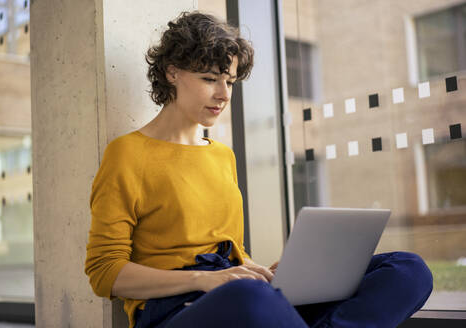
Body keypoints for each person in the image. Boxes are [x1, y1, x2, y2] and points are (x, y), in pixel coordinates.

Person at [84, 11, 433, 328]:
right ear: (171, 72)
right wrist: (204, 281)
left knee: (406, 269)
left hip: (238, 293)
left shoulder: (222, 155)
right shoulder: (128, 153)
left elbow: (230, 248)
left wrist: (259, 270)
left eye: (230, 82)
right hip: (177, 308)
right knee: (250, 298)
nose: (223, 94)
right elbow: (105, 273)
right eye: (209, 78)